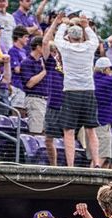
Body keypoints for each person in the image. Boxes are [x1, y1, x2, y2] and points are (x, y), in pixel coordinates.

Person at [42, 12, 100, 167]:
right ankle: (97, 162)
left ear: (70, 35)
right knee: (91, 130)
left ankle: (70, 165)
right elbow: (93, 36)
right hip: (88, 91)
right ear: (81, 36)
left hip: (71, 92)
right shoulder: (90, 46)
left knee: (69, 131)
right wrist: (85, 24)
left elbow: (57, 37)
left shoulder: (65, 47)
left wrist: (63, 23)